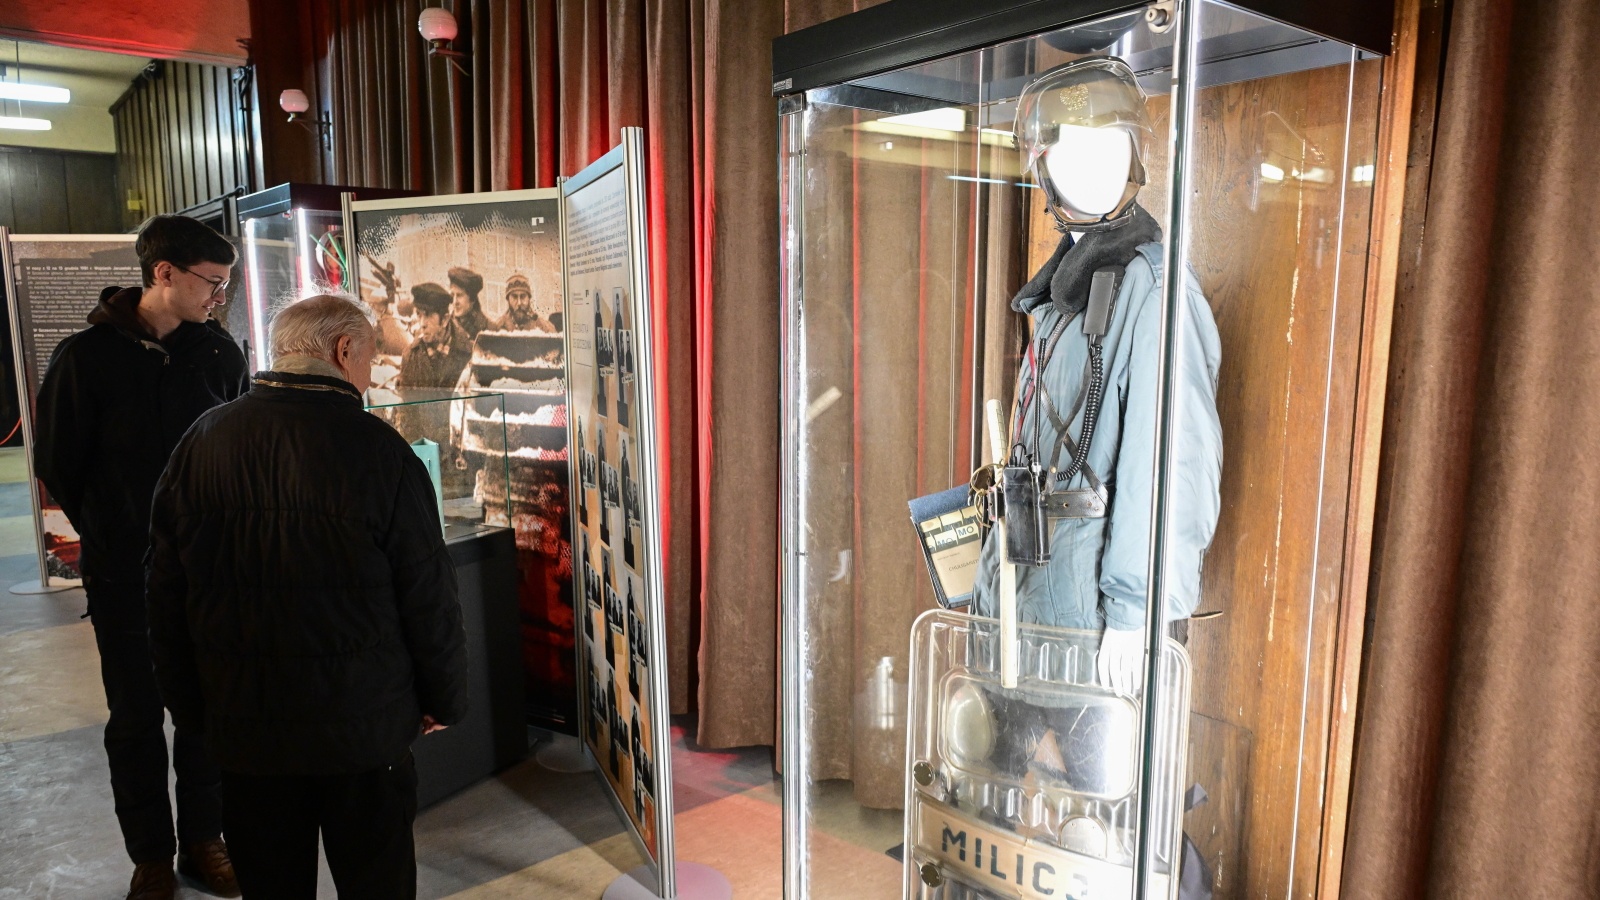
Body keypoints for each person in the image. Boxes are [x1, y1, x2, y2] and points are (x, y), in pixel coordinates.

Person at [145, 294, 469, 900]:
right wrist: (443, 698)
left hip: (247, 729)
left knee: (271, 886)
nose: (370, 373)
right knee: (377, 884)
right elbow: (429, 597)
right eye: (369, 356)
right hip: (364, 730)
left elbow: (164, 595)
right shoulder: (382, 451)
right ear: (344, 350)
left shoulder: (202, 441)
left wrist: (193, 711)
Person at [33, 214, 246, 900]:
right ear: (164, 272)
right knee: (134, 717)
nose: (219, 297)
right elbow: (58, 462)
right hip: (125, 572)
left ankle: (205, 840)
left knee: (206, 711)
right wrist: (113, 532)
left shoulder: (220, 354)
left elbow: (236, 449)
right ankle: (151, 855)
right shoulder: (85, 357)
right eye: (212, 283)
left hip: (209, 571)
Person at [398, 282, 470, 390]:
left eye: (428, 315)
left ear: (445, 320)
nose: (422, 324)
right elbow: (405, 399)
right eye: (419, 314)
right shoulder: (410, 356)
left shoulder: (468, 354)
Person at [490, 273, 555, 332]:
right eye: (514, 297)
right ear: (508, 300)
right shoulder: (498, 328)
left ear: (529, 298)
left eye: (523, 296)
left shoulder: (544, 327)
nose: (519, 303)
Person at [446, 266, 489, 343]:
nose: (455, 302)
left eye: (459, 295)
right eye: (452, 295)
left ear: (472, 299)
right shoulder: (446, 326)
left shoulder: (487, 329)